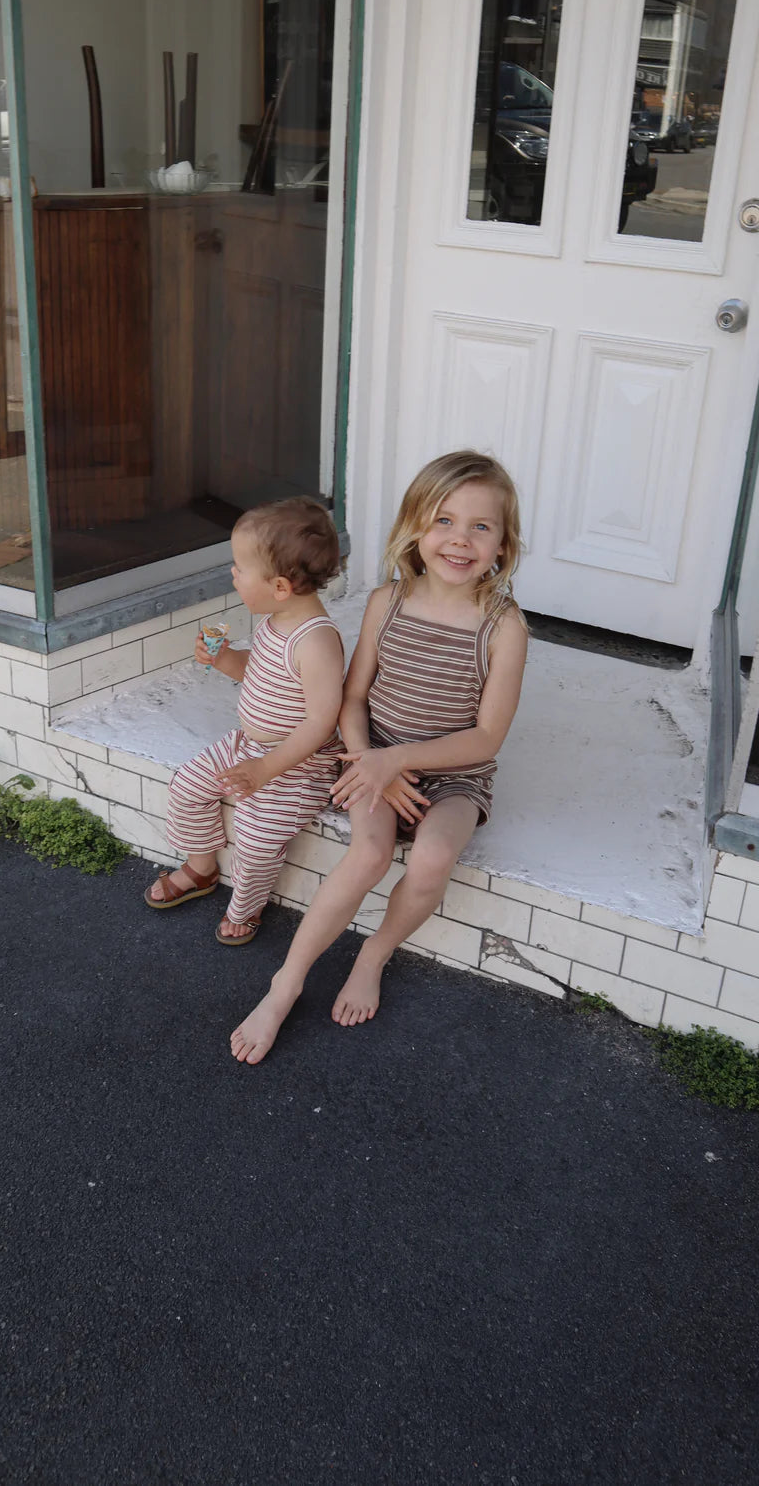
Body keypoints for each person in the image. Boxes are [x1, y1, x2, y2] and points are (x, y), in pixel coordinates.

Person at [230, 450, 529, 1064]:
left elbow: (486, 739)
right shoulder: (385, 602)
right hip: (376, 756)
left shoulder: (504, 627)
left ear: (503, 543)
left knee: (432, 858)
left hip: (454, 776)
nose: (460, 539)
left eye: (481, 526)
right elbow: (354, 697)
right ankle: (284, 985)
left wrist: (398, 765)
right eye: (444, 520)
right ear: (415, 525)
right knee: (368, 852)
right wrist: (370, 758)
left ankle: (373, 956)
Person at [146, 496, 345, 945]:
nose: (233, 574)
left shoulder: (316, 641)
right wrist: (225, 660)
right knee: (187, 786)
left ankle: (247, 905)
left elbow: (320, 723)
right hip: (247, 745)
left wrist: (267, 770)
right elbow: (258, 670)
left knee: (257, 839)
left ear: (278, 586)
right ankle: (201, 868)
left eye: (239, 567)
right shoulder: (276, 619)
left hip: (298, 765)